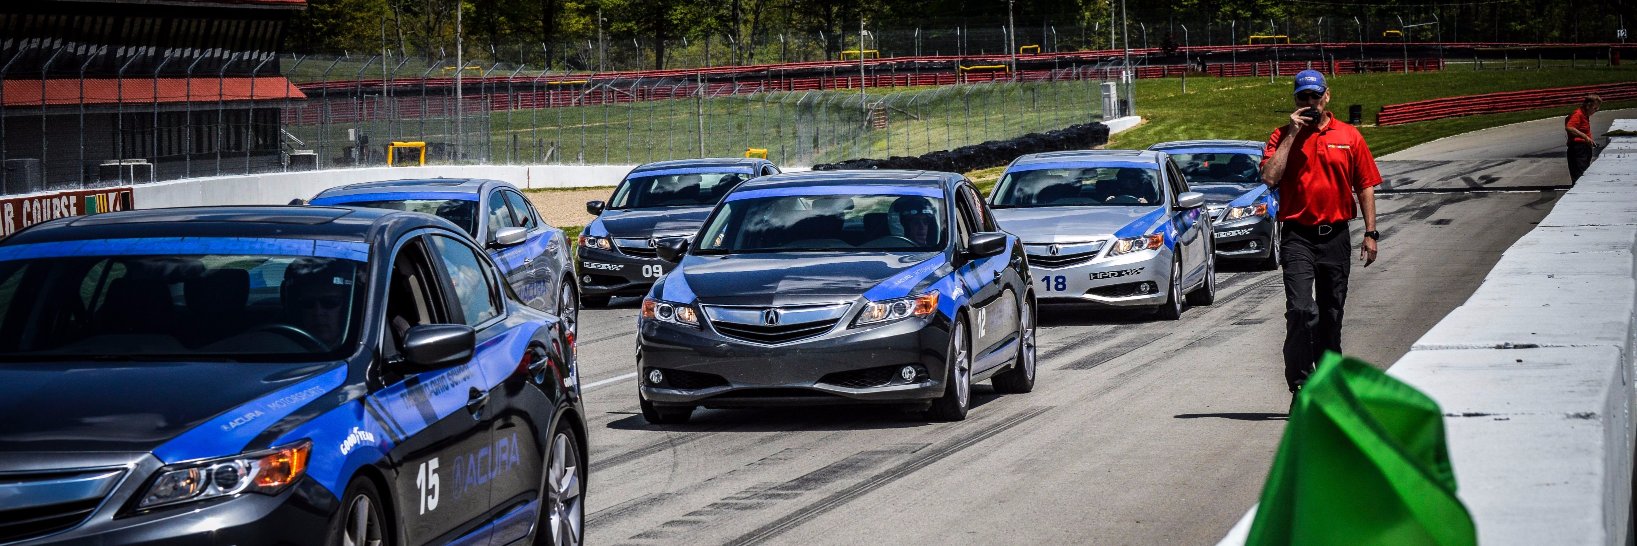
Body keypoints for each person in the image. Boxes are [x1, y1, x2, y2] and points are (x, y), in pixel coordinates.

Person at [1259, 69, 1381, 397]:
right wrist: (1292, 135)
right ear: (1295, 100)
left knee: (1331, 315)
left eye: (1315, 96)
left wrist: (1371, 232)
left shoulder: (1350, 136)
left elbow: (1365, 184)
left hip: (1336, 236)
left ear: (1327, 96)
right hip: (1298, 235)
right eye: (1303, 97)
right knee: (1301, 310)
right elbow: (1270, 178)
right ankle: (1301, 386)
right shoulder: (1280, 135)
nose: (1310, 102)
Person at [284, 258, 357, 348]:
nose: (318, 313)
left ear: (347, 306)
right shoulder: (281, 344)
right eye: (307, 303)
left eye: (330, 302)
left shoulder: (362, 346)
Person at [1566, 94, 1602, 183]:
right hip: (1578, 149)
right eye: (1595, 108)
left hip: (1583, 148)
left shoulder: (1584, 115)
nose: (1596, 110)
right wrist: (1585, 137)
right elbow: (1569, 127)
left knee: (1584, 172)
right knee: (1580, 175)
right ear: (1588, 106)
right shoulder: (1578, 114)